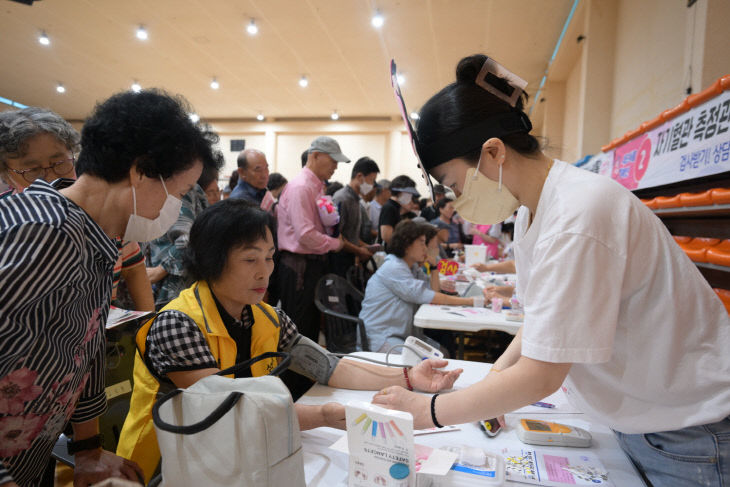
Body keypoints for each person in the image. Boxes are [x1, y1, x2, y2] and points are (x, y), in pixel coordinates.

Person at [372, 54, 730, 487]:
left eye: (454, 183)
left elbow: (543, 373)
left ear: (493, 152)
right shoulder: (532, 212)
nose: (457, 197)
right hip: (643, 419)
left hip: (688, 434)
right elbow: (545, 318)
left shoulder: (579, 214)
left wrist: (426, 412)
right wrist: (499, 377)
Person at [116, 199, 463, 482]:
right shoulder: (178, 324)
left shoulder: (267, 317)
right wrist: (326, 414)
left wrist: (408, 377)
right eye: (250, 259)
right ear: (211, 262)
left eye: (269, 257)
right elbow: (229, 414)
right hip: (165, 468)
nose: (264, 271)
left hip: (241, 460)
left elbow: (331, 367)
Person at [0, 89, 221, 487]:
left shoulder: (96, 237)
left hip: (29, 456)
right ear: (140, 171)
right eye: (174, 192)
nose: (171, 208)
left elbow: (82, 349)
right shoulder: (44, 233)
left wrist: (88, 450)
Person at [360, 220, 485, 354]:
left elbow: (432, 291)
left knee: (442, 353)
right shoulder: (394, 267)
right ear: (406, 244)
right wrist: (471, 301)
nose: (425, 248)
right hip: (381, 337)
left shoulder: (411, 266)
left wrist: (434, 266)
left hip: (401, 334)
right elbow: (430, 296)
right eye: (421, 242)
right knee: (435, 359)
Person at [276, 136, 347, 341]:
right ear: (315, 155)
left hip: (310, 266)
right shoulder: (302, 187)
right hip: (300, 268)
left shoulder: (317, 186)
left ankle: (306, 374)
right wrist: (336, 244)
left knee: (310, 328)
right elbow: (305, 234)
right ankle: (293, 375)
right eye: (332, 160)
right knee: (300, 331)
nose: (335, 166)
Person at [331, 157, 380, 275]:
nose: (372, 185)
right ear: (359, 177)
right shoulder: (342, 198)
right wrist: (359, 251)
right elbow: (337, 235)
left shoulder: (356, 200)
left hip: (350, 258)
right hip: (338, 260)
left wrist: (367, 247)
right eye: (371, 180)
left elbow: (351, 234)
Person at [378, 175, 419, 246]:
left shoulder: (396, 207)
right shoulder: (389, 207)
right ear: (400, 191)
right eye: (409, 193)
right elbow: (386, 236)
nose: (410, 197)